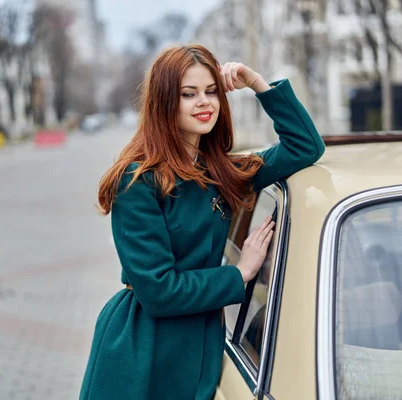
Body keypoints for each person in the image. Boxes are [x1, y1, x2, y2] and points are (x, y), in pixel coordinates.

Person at [79, 44, 325, 400]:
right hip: (144, 347)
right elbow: (158, 292)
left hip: (200, 337)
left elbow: (305, 146)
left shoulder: (223, 172)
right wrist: (239, 274)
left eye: (211, 91)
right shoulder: (138, 180)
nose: (204, 102)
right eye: (188, 94)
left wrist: (256, 83)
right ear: (164, 102)